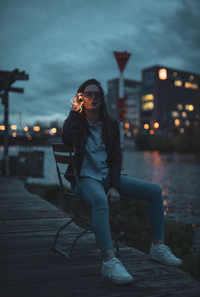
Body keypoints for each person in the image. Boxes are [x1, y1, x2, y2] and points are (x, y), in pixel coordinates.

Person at [62, 78, 182, 285]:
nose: (93, 97)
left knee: (154, 190)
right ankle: (109, 262)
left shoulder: (110, 125)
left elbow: (116, 157)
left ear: (102, 98)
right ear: (81, 98)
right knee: (100, 201)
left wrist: (116, 186)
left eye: (97, 94)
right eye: (88, 94)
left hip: (109, 178)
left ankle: (157, 247)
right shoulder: (76, 124)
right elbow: (66, 139)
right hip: (85, 179)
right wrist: (74, 111)